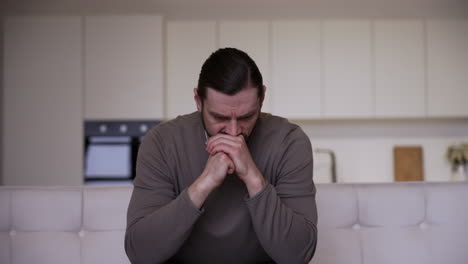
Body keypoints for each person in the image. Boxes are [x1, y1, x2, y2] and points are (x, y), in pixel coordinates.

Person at [125, 48, 318, 264]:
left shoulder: (290, 142)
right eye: (219, 117)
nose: (234, 132)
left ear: (262, 98)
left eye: (246, 117)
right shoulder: (162, 142)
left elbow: (298, 254)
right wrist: (203, 185)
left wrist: (254, 178)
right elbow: (140, 252)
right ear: (198, 101)